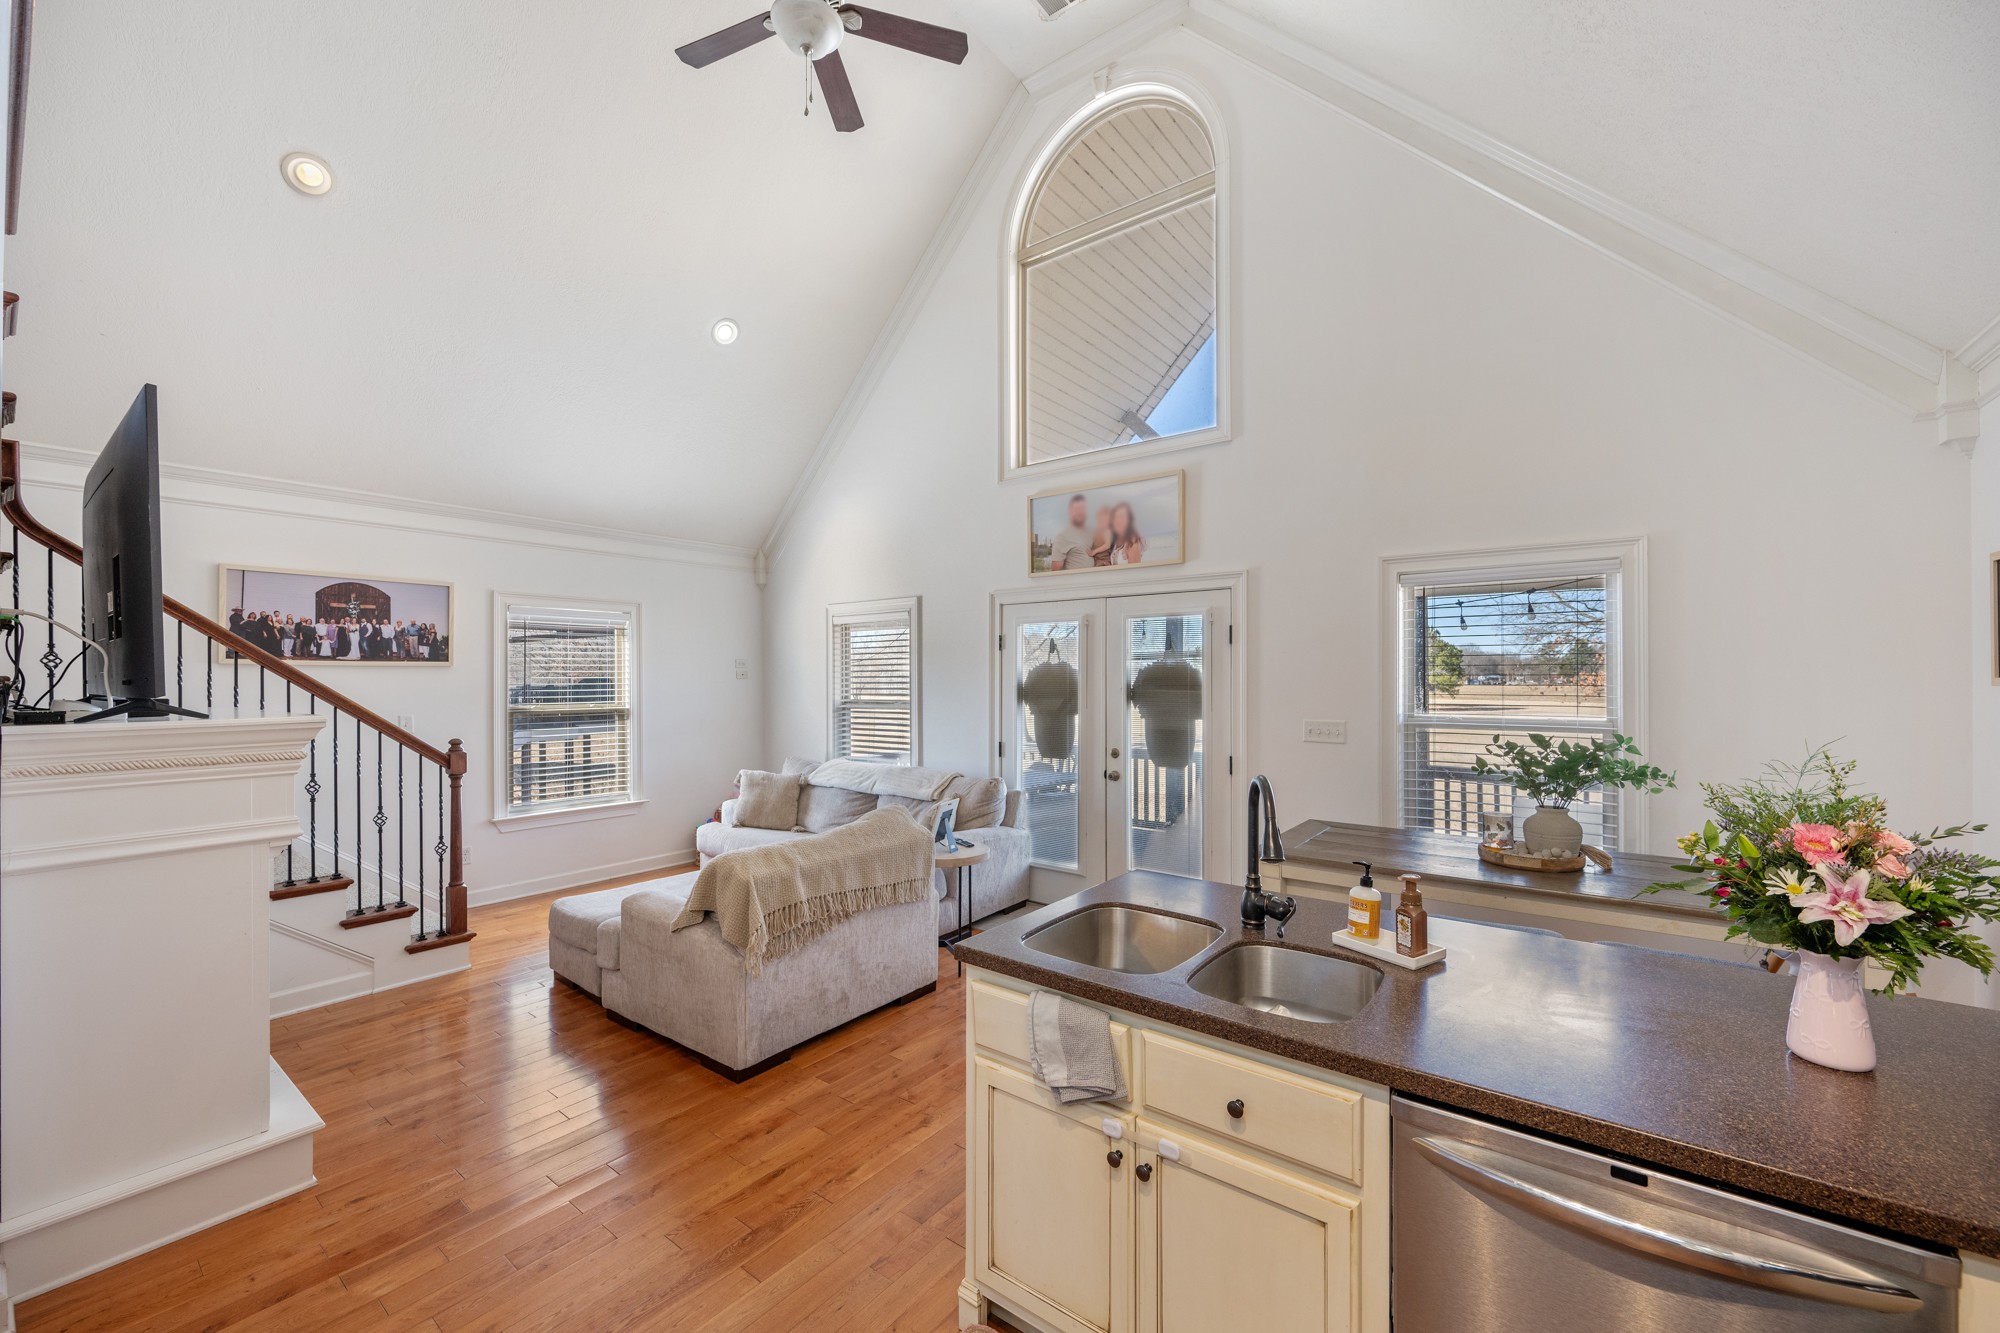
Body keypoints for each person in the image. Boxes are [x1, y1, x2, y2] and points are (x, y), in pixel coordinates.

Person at [1047, 494, 1096, 571]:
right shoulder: (1062, 537)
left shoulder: (1091, 533)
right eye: (1076, 509)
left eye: (1083, 508)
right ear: (1070, 512)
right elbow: (1055, 571)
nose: (1080, 512)